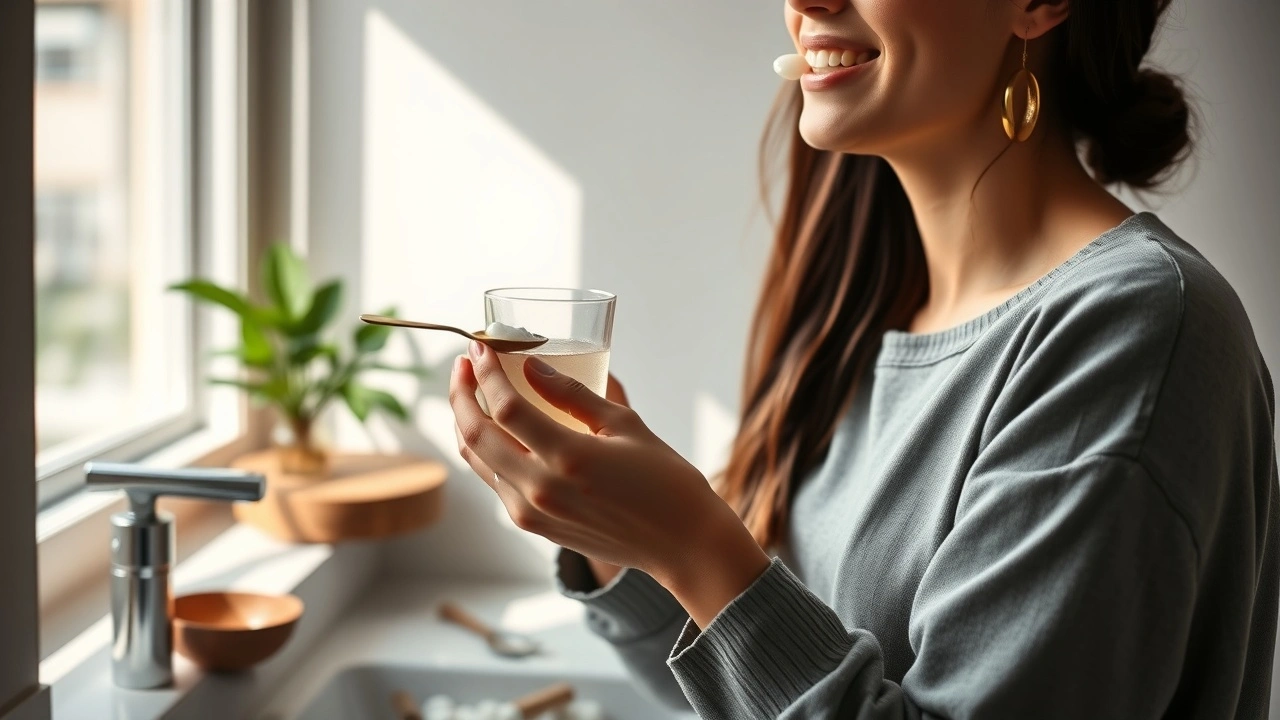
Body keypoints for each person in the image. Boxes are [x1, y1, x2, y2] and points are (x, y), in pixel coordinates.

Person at [447, 0, 1279, 717]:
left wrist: (691, 543)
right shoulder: (866, 306)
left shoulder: (1132, 332)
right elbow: (747, 686)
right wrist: (616, 533)